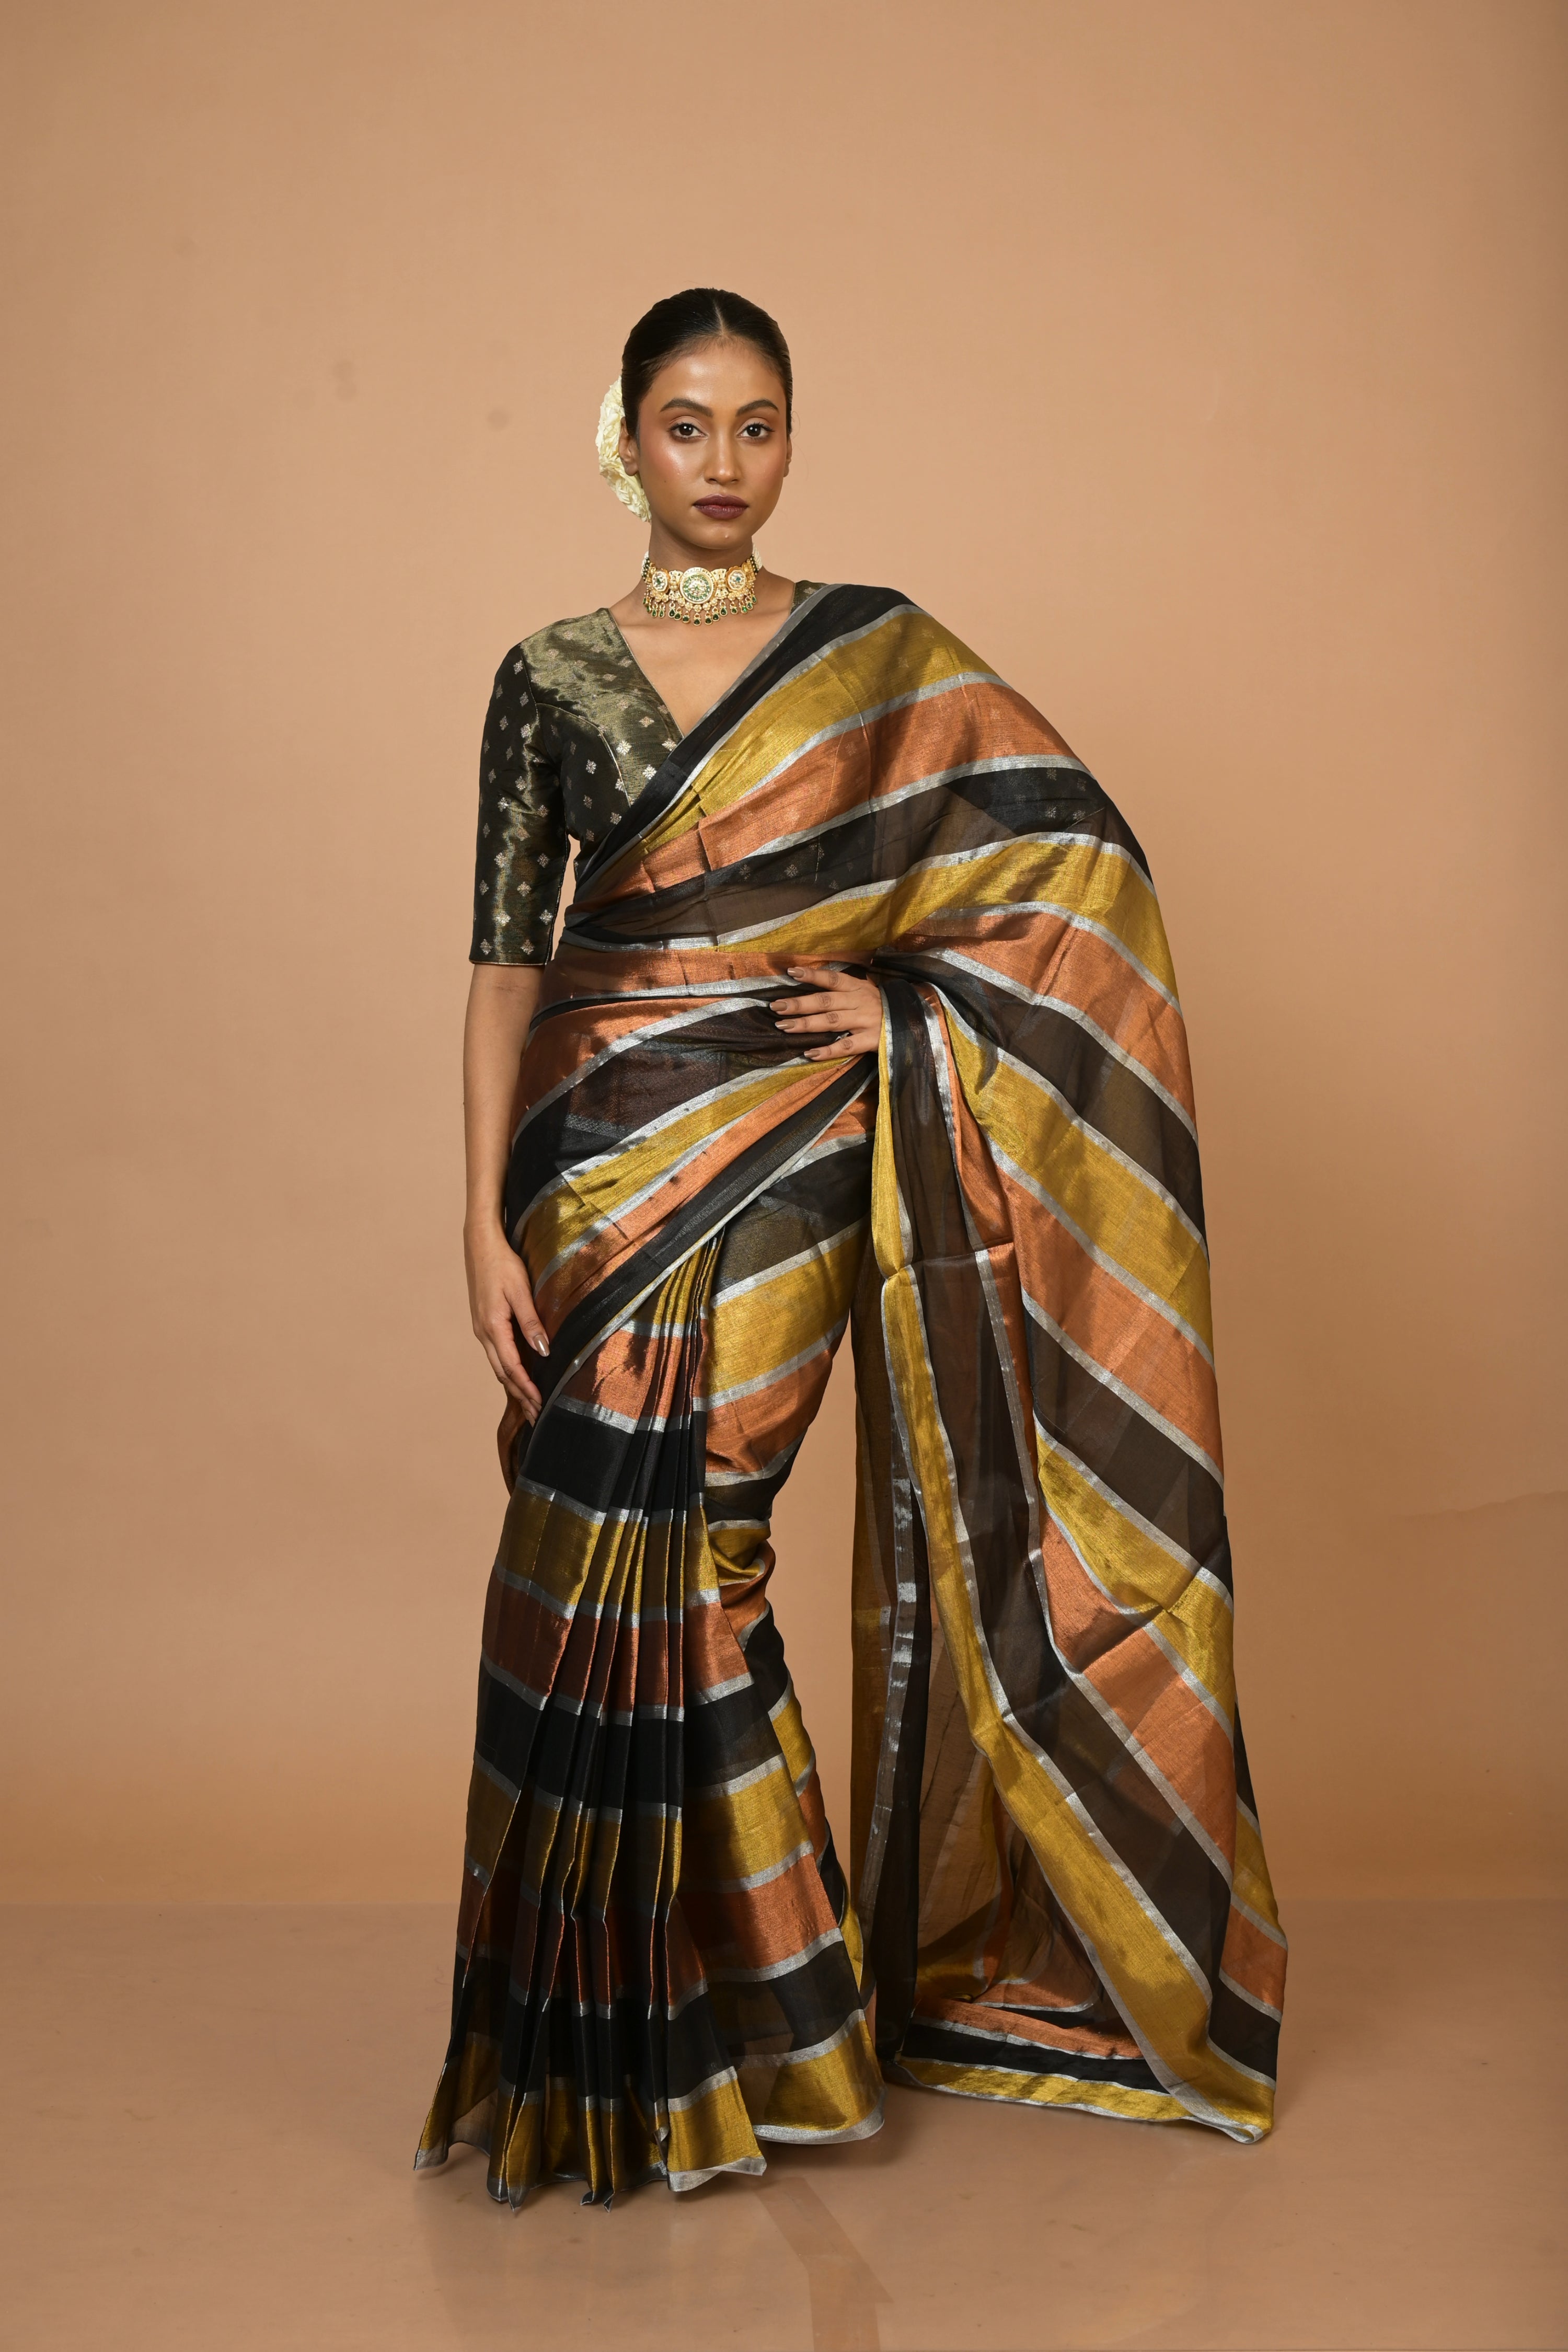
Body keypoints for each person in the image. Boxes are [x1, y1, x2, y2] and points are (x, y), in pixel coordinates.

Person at [416, 289, 1286, 2210]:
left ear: (792, 440)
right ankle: (621, 2042)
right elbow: (501, 967)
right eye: (685, 424)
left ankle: (776, 2032)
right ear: (623, 439)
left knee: (706, 1546)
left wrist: (904, 1018)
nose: (724, 463)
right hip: (592, 1157)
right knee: (579, 1564)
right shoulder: (546, 677)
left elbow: (1074, 881)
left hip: (797, 1143)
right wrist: (477, 1216)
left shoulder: (875, 657)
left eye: (758, 425)